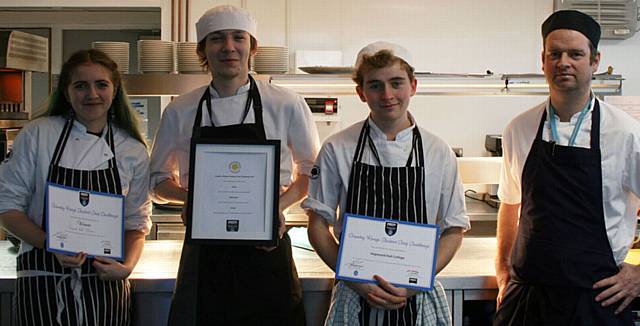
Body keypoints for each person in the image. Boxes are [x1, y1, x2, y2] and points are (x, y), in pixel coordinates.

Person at [149, 5, 319, 325]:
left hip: (267, 246)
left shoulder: (286, 103)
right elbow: (156, 181)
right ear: (202, 49)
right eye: (216, 39)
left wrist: (275, 208)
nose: (228, 47)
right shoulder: (180, 110)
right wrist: (193, 201)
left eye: (238, 37)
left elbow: (311, 171)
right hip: (204, 254)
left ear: (252, 46)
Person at [302, 41, 470, 326]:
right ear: (361, 92)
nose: (388, 94)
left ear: (413, 86)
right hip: (355, 296)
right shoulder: (337, 147)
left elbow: (454, 230)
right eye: (375, 85)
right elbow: (317, 225)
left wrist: (415, 283)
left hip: (418, 297)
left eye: (396, 83)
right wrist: (355, 280)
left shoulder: (437, 152)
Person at [494, 10, 640, 325]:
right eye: (555, 53)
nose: (564, 62)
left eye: (575, 54)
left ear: (595, 61)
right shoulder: (519, 128)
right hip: (529, 299)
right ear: (543, 60)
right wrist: (503, 271)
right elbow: (510, 204)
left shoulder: (627, 133)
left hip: (597, 299)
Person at [0, 49, 152, 326]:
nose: (91, 94)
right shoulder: (38, 134)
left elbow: (136, 225)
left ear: (115, 89)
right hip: (43, 286)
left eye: (101, 84)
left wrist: (126, 267)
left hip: (106, 289)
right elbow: (7, 209)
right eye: (80, 85)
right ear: (67, 92)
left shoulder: (132, 149)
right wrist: (49, 244)